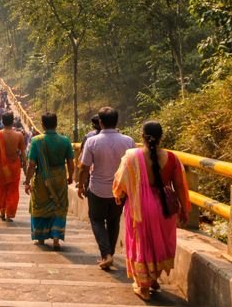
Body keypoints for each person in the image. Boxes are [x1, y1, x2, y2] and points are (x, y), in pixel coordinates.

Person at [113, 121, 190, 300]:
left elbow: (120, 183)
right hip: (165, 208)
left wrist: (119, 194)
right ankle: (153, 279)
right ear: (161, 137)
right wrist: (184, 209)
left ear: (142, 136)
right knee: (158, 244)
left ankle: (144, 287)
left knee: (142, 244)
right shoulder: (172, 158)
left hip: (140, 207)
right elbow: (179, 186)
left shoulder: (132, 156)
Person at [79, 106, 135, 270]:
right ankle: (109, 253)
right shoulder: (128, 141)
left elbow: (84, 167)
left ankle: (106, 254)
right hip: (120, 190)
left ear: (101, 122)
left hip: (97, 188)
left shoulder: (92, 141)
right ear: (117, 121)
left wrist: (81, 185)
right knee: (114, 221)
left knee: (96, 219)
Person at [24, 112, 75, 250]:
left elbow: (31, 165)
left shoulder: (36, 141)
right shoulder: (65, 140)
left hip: (42, 179)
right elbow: (71, 163)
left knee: (39, 206)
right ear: (56, 124)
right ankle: (56, 238)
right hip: (60, 178)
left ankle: (41, 237)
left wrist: (27, 182)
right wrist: (71, 176)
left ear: (42, 124)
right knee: (59, 206)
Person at [0, 112, 25, 221]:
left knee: (0, 188)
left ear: (2, 121)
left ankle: (2, 211)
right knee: (13, 189)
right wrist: (26, 166)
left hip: (1, 166)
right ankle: (9, 213)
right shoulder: (19, 135)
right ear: (13, 121)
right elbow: (23, 154)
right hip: (14, 166)